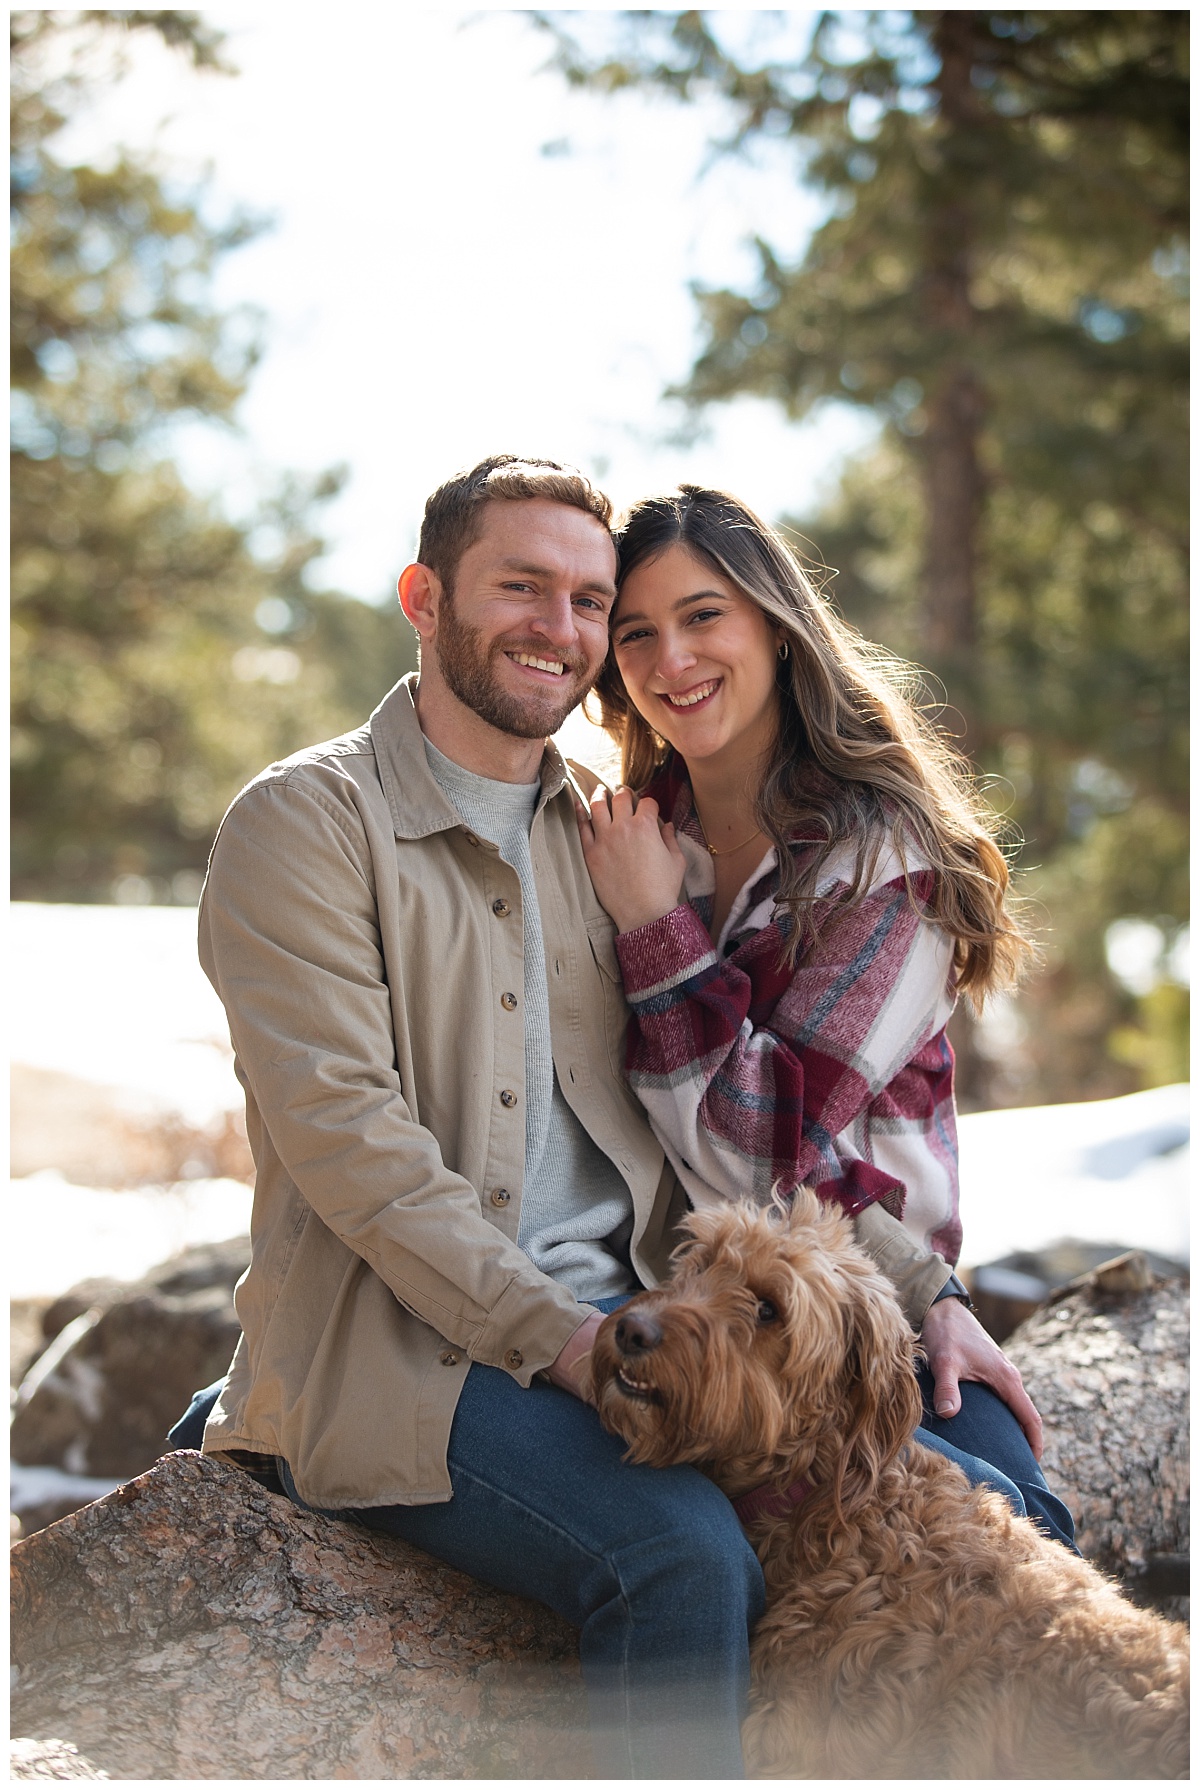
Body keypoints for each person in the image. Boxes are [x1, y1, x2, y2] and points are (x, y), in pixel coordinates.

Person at [170, 457, 1062, 1780]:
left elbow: (723, 1140)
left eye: (591, 600)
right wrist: (571, 1340)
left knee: (989, 1526)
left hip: (641, 1324)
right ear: (425, 598)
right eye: (523, 587)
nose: (569, 628)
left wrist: (921, 1287)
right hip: (435, 1349)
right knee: (680, 1555)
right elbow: (354, 1150)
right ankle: (266, 1405)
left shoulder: (608, 834)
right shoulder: (306, 822)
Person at [572, 483, 1075, 1551]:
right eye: (636, 633)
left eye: (704, 614)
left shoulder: (887, 861)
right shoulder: (626, 837)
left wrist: (659, 929)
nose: (672, 661)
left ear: (775, 622)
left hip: (851, 1323)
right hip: (652, 1308)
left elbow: (766, 1152)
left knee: (1009, 1524)